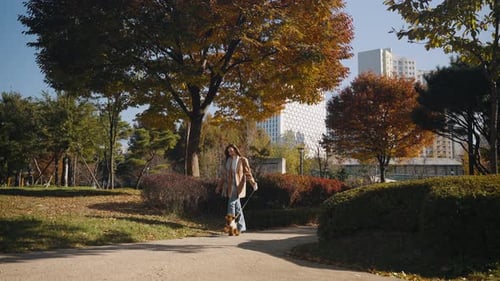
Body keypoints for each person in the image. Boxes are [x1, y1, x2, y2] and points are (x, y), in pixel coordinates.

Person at [216, 144, 258, 233]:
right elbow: (223, 175)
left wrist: (253, 183)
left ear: (235, 150)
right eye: (228, 151)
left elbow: (248, 173)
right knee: (237, 207)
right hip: (230, 186)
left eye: (231, 151)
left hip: (238, 186)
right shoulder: (227, 160)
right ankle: (241, 227)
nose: (230, 153)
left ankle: (230, 226)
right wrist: (219, 186)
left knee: (231, 204)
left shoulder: (242, 160)